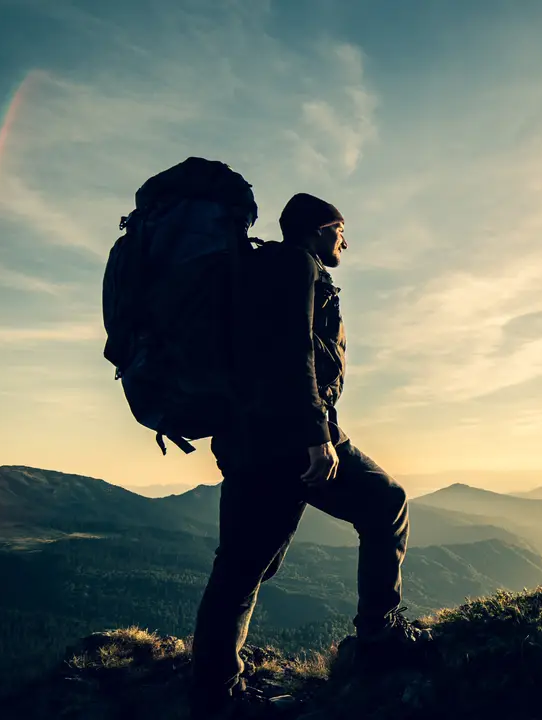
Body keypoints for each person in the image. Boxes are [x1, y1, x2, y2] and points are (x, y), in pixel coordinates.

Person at [188, 193, 431, 719]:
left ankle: (212, 686)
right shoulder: (296, 265)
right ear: (321, 228)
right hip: (291, 439)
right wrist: (316, 434)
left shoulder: (255, 273)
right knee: (386, 502)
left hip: (248, 440)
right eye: (342, 229)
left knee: (244, 564)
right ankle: (377, 637)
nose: (347, 240)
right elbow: (292, 351)